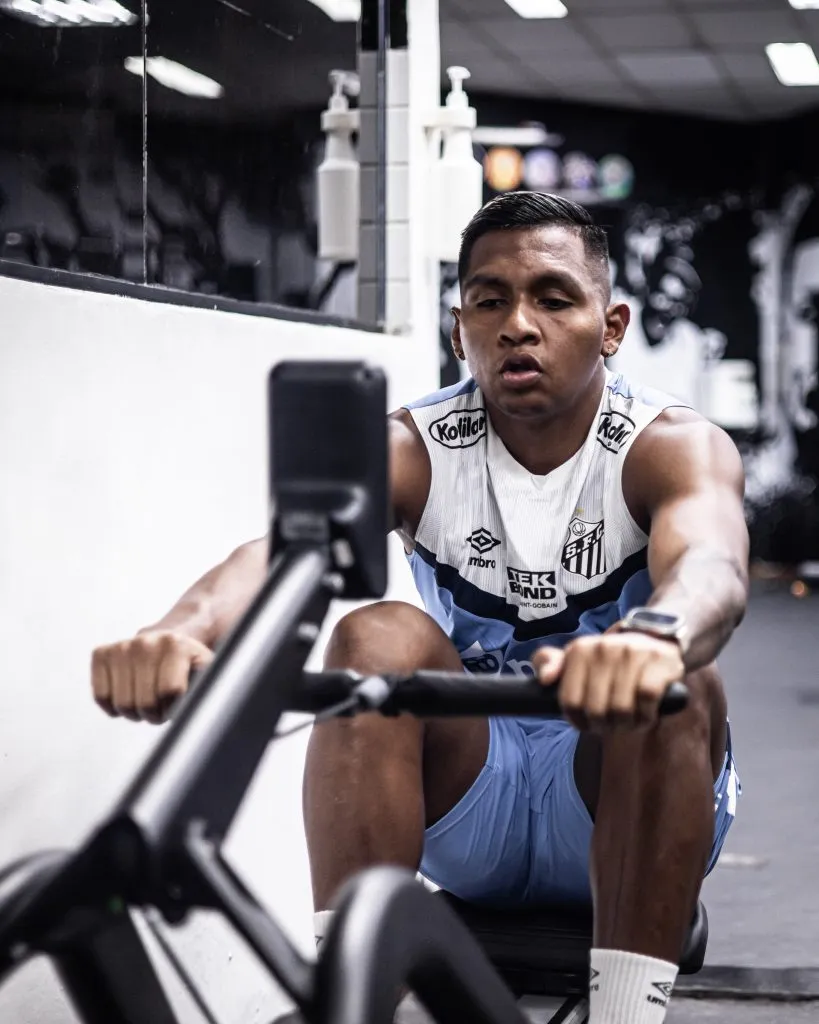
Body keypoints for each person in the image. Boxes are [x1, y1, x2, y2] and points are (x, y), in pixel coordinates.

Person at [91, 192, 748, 1024]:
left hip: (615, 793)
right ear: (458, 329)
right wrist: (177, 632)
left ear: (610, 326)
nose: (516, 324)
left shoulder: (669, 445)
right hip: (471, 798)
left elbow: (711, 565)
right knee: (374, 636)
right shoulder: (411, 447)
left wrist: (657, 634)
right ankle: (353, 1004)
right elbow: (285, 557)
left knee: (686, 679)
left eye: (551, 298)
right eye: (488, 300)